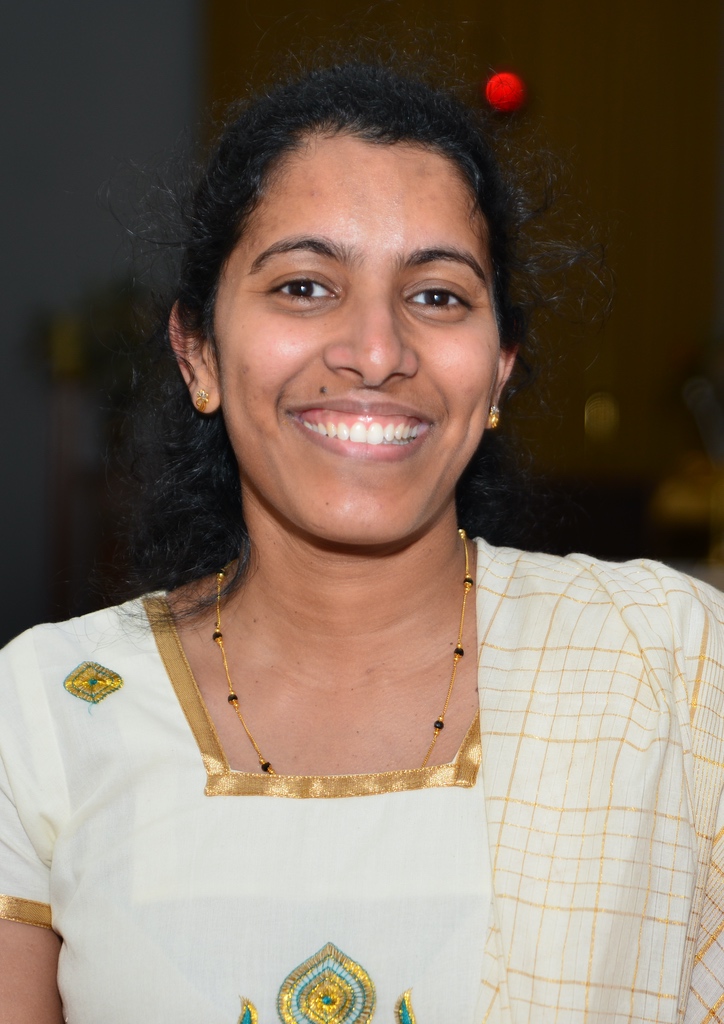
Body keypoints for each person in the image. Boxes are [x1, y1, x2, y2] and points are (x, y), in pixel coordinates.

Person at [1, 60, 724, 1024]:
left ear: (499, 371)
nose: (376, 352)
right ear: (198, 353)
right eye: (305, 286)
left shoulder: (671, 669)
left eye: (438, 296)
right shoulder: (47, 711)